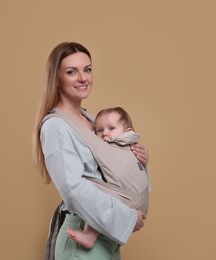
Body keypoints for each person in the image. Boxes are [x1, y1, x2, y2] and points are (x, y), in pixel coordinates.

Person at [32, 42, 149, 260]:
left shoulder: (92, 120)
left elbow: (111, 174)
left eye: (87, 69)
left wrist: (139, 159)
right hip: (82, 240)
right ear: (56, 79)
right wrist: (127, 218)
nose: (83, 78)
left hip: (106, 240)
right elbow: (73, 188)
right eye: (71, 72)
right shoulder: (56, 126)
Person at [65, 106, 150, 249]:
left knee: (92, 189)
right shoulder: (130, 144)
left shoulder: (116, 145)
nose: (104, 134)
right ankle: (92, 235)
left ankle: (90, 235)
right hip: (141, 199)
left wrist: (63, 117)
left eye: (111, 128)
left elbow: (88, 138)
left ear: (127, 131)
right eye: (99, 130)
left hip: (129, 199)